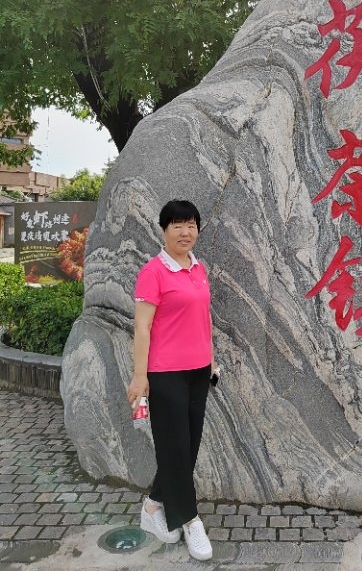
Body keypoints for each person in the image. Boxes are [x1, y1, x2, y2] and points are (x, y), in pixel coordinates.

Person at [127, 199, 215, 560]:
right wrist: (139, 376)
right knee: (175, 446)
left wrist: (211, 360)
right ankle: (190, 520)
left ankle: (152, 507)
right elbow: (142, 327)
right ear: (163, 230)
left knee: (187, 447)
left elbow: (203, 317)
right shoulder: (153, 272)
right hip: (165, 373)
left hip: (199, 371)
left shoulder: (198, 267)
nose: (185, 232)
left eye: (191, 225)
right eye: (177, 225)